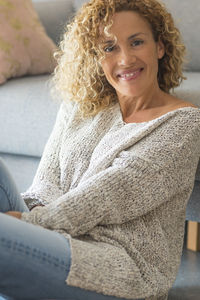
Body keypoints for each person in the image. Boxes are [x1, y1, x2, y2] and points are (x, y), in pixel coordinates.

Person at [0, 0, 200, 299]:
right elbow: (47, 178)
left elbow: (108, 196)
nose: (125, 59)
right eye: (109, 48)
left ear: (159, 46)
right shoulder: (80, 107)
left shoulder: (183, 123)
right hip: (57, 232)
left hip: (119, 267)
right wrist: (34, 216)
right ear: (96, 57)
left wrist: (30, 224)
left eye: (136, 42)